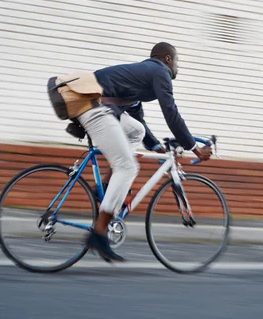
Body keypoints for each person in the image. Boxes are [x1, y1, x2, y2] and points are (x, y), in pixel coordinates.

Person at [74, 42, 213, 262]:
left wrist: (158, 147)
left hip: (95, 105)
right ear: (167, 59)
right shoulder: (160, 72)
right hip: (91, 105)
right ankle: (98, 234)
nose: (177, 67)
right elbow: (171, 111)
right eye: (177, 61)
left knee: (135, 131)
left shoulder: (139, 81)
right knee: (128, 167)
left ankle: (110, 185)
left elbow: (139, 123)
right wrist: (193, 147)